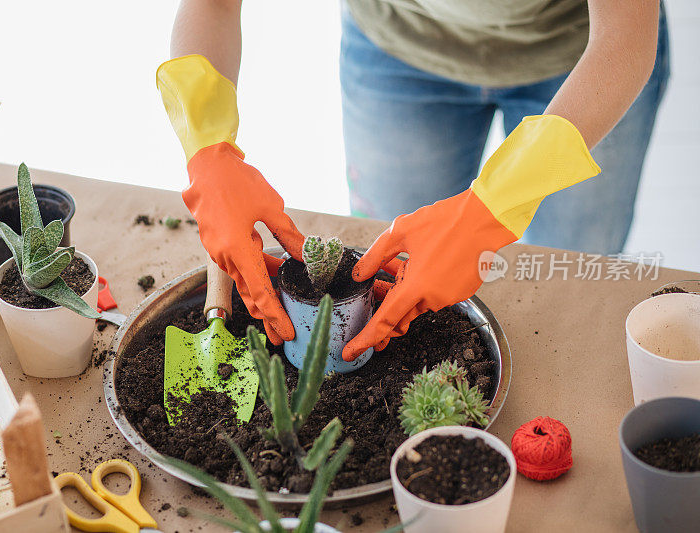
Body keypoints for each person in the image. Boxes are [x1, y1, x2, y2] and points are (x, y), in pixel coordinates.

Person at [158, 0, 665, 362]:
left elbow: (625, 31)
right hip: (396, 50)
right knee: (394, 267)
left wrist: (487, 216)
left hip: (583, 59)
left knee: (575, 271)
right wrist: (209, 152)